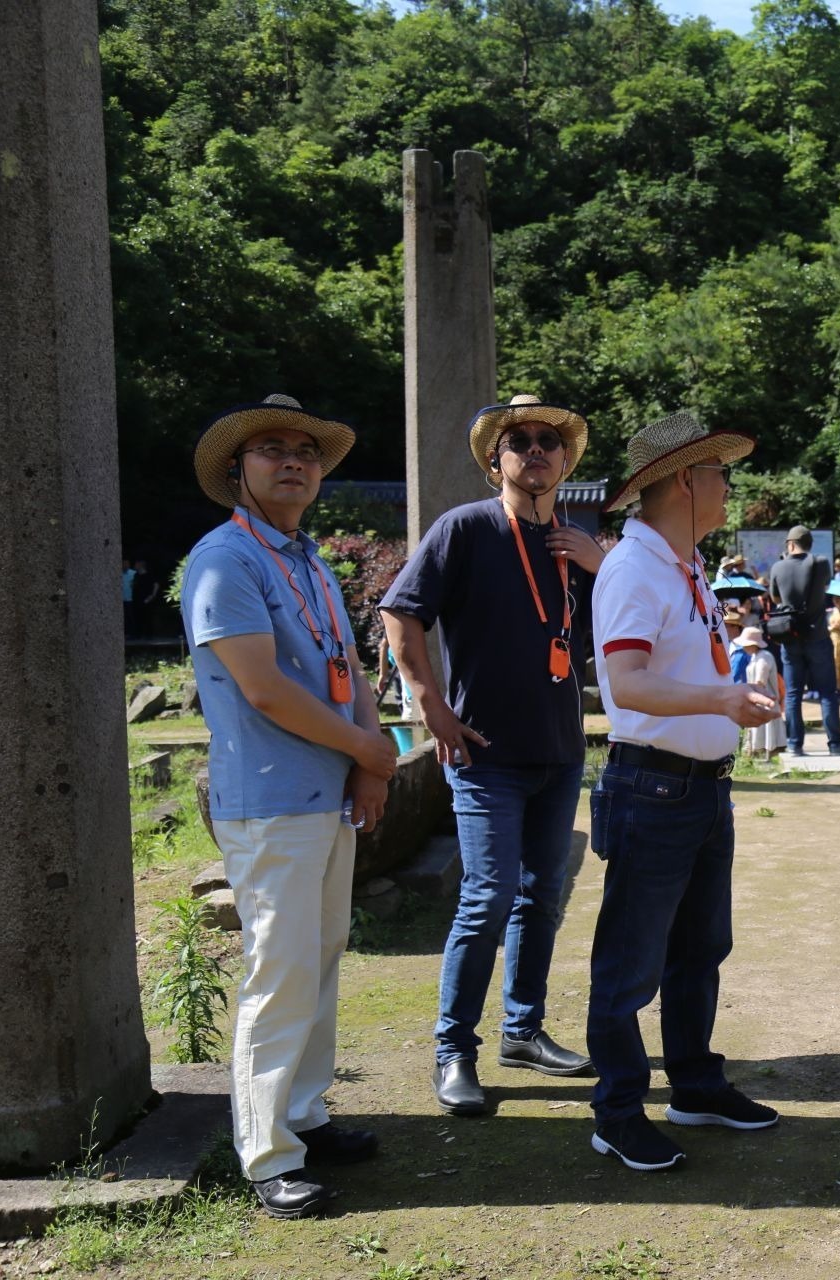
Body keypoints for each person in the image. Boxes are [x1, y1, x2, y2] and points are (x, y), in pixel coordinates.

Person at [180, 393, 398, 1218]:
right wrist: (365, 752)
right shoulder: (224, 561)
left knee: (323, 955)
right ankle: (268, 1153)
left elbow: (351, 672)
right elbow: (265, 690)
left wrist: (373, 761)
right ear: (238, 470)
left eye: (306, 449)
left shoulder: (306, 560)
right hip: (269, 801)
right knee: (279, 972)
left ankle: (305, 1115)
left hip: (329, 792)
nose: (294, 460)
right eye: (272, 448)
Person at [381, 394, 603, 1117]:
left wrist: (600, 567)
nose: (535, 450)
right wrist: (431, 704)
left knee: (543, 896)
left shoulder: (575, 545)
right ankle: (454, 1051)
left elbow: (611, 637)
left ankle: (524, 1030)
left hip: (559, 748)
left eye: (548, 442)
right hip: (485, 752)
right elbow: (400, 610)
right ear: (494, 462)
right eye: (519, 442)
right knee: (487, 896)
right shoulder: (466, 529)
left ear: (566, 462)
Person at [587, 410, 783, 1172]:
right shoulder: (634, 568)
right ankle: (617, 1111)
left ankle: (695, 1086)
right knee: (631, 962)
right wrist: (721, 702)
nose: (727, 487)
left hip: (699, 790)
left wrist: (723, 701)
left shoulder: (683, 562)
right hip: (655, 788)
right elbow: (625, 687)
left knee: (699, 950)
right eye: (718, 474)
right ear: (682, 481)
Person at [768, 525, 840, 757]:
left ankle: (795, 744)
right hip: (817, 635)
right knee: (827, 692)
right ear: (809, 544)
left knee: (794, 692)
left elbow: (775, 597)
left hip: (791, 637)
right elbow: (826, 587)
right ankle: (836, 744)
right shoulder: (821, 563)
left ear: (790, 544)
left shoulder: (778, 566)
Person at [737, 627, 786, 758]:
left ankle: (767, 754)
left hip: (764, 698)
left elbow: (760, 680)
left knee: (766, 728)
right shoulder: (754, 657)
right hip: (756, 697)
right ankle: (758, 753)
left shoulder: (765, 657)